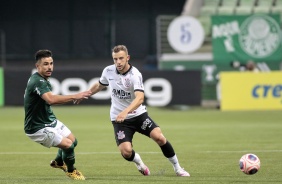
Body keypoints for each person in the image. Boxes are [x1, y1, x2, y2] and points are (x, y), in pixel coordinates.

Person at [78, 45, 190, 176]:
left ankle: (178, 168)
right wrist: (86, 94)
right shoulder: (108, 71)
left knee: (159, 137)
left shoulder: (135, 75)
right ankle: (139, 163)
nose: (118, 62)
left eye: (121, 58)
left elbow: (140, 98)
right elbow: (99, 85)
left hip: (138, 115)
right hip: (119, 119)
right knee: (126, 152)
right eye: (115, 59)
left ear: (127, 58)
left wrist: (125, 112)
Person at [24, 49, 92, 180]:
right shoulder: (38, 81)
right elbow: (51, 99)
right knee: (68, 145)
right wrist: (75, 96)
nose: (49, 67)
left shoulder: (42, 79)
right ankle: (71, 171)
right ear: (37, 66)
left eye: (51, 63)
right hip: (37, 127)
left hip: (49, 120)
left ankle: (58, 162)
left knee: (73, 141)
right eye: (45, 64)